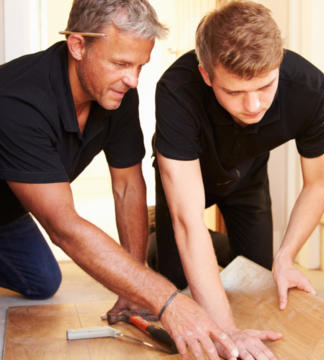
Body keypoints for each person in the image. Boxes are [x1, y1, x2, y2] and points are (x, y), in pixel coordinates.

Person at [0, 1, 241, 359]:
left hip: (8, 211)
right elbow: (63, 227)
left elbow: (128, 186)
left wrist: (134, 285)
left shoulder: (117, 94)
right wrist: (168, 301)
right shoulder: (17, 101)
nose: (133, 79)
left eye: (140, 65)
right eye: (121, 64)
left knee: (43, 281)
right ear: (78, 46)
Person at [152, 1, 324, 359]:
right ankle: (156, 238)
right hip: (188, 180)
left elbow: (317, 184)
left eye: (265, 86)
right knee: (180, 289)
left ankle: (221, 247)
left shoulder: (310, 89)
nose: (253, 105)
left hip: (247, 178)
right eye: (234, 92)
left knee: (255, 280)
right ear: (206, 75)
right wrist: (228, 332)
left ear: (278, 62)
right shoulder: (177, 89)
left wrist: (287, 256)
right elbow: (188, 222)